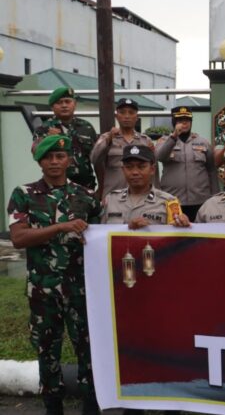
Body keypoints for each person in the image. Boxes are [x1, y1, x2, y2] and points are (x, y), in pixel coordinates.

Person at [8, 135, 103, 415]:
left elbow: (100, 237)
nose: (54, 162)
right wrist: (60, 227)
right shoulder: (24, 194)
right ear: (40, 161)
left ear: (69, 160)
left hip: (81, 290)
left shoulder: (86, 196)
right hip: (43, 290)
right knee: (47, 350)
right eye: (48, 157)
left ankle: (91, 403)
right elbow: (18, 238)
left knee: (88, 348)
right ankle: (53, 405)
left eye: (60, 156)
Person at [102, 145, 191, 228]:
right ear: (123, 170)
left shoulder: (169, 202)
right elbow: (102, 233)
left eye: (141, 167)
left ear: (152, 169)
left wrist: (181, 225)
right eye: (129, 167)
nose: (135, 172)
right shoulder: (111, 200)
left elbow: (175, 236)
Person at [155, 106, 219, 221]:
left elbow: (212, 170)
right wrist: (174, 136)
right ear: (174, 122)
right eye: (180, 120)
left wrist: (215, 197)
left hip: (200, 200)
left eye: (187, 120)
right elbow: (160, 156)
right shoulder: (164, 141)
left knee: (201, 231)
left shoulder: (203, 142)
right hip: (173, 200)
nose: (184, 123)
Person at [32, 86, 98, 190]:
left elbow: (97, 158)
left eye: (67, 101)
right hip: (55, 189)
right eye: (59, 103)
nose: (64, 105)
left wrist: (101, 187)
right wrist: (47, 140)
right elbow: (36, 153)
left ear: (74, 104)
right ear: (52, 107)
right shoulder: (44, 129)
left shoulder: (86, 127)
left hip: (85, 187)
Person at [91, 98, 158, 197]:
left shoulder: (145, 141)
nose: (127, 116)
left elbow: (153, 171)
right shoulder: (107, 138)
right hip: (113, 195)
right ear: (117, 116)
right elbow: (94, 159)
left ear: (136, 117)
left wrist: (154, 193)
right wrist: (108, 140)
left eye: (131, 113)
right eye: (122, 112)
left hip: (140, 196)